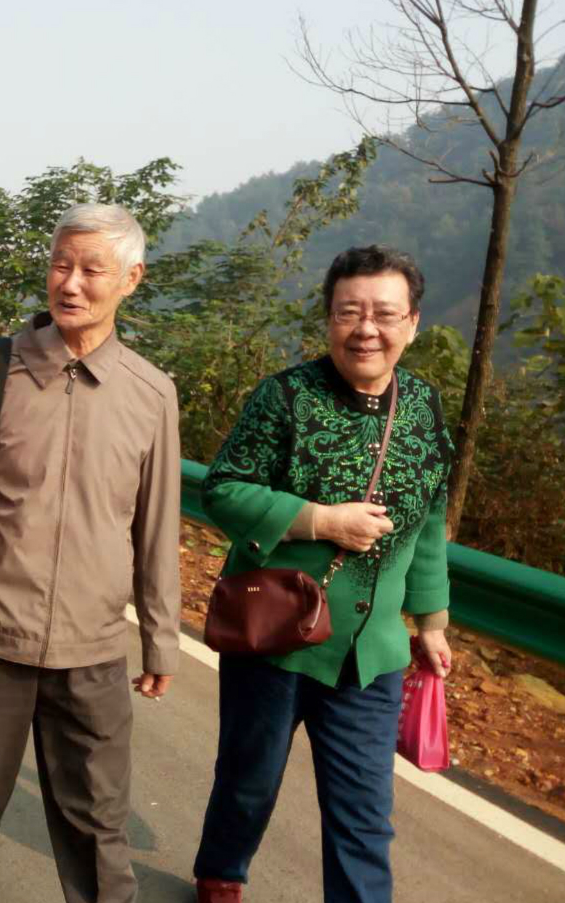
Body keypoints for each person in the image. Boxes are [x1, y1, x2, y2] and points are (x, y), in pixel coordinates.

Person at [0, 203, 182, 903]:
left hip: (92, 649)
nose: (70, 283)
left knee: (99, 834)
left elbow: (155, 526)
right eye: (60, 265)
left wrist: (160, 639)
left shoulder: (151, 393)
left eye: (91, 269)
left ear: (130, 278)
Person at [192, 246, 454, 903]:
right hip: (274, 637)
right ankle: (222, 869)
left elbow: (428, 519)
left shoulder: (424, 406)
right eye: (348, 312)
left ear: (412, 323)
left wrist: (430, 620)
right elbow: (222, 489)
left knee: (364, 814)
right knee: (250, 778)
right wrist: (321, 521)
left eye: (384, 314)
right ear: (328, 318)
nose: (366, 329)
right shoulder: (284, 396)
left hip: (371, 653)